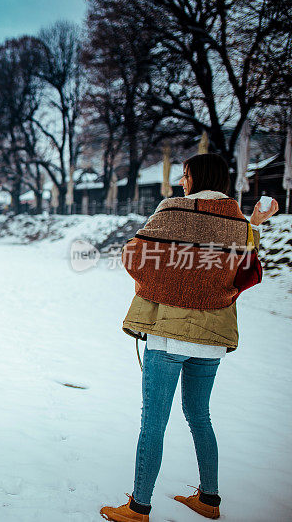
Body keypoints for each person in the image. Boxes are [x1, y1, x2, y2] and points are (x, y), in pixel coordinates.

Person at [100, 153, 279, 522]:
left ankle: (138, 508)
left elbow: (134, 254)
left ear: (197, 178)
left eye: (185, 175)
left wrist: (160, 282)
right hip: (213, 337)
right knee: (200, 416)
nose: (182, 181)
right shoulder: (237, 221)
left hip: (167, 337)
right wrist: (256, 222)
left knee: (154, 421)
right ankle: (209, 499)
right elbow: (245, 268)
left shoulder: (172, 211)